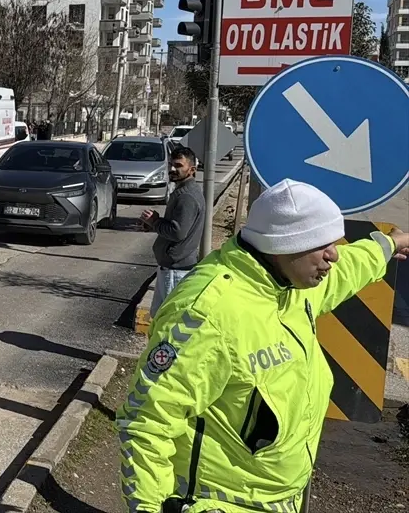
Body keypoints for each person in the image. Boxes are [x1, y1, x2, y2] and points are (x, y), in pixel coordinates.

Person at [118, 179, 409, 513]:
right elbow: (146, 422)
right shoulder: (209, 312)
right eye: (322, 243)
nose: (334, 254)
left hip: (279, 502)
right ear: (284, 244)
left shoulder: (289, 287)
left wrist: (387, 244)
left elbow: (347, 269)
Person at [141, 145, 205, 315]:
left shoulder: (187, 196)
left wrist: (155, 222)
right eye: (171, 164)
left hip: (176, 270)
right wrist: (154, 224)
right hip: (171, 267)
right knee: (159, 317)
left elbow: (178, 232)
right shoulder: (183, 191)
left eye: (178, 165)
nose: (172, 169)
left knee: (168, 318)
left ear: (192, 170)